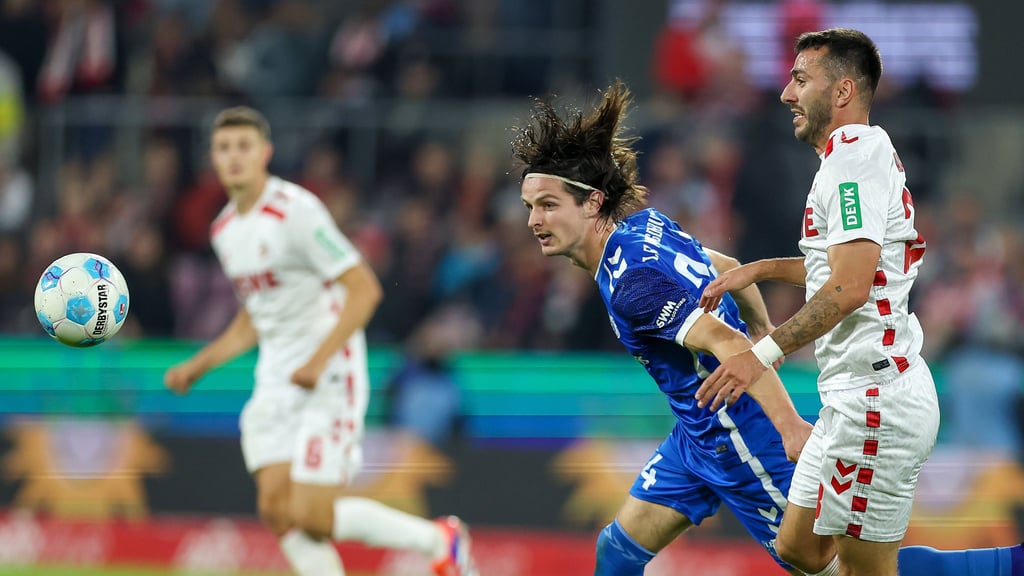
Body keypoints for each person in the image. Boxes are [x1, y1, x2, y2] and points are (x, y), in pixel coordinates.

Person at [512, 79, 1024, 576]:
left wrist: (786, 423)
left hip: (739, 436)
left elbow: (726, 341)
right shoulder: (644, 226)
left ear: (593, 202)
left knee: (847, 571)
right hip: (696, 436)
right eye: (530, 206)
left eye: (549, 205)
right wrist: (762, 324)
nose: (534, 220)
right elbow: (726, 265)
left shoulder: (631, 283)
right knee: (617, 550)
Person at [697, 28, 1024, 576]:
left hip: (877, 400)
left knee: (866, 571)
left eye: (800, 79)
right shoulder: (850, 159)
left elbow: (848, 289)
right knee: (799, 550)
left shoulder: (855, 157)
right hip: (851, 397)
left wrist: (761, 354)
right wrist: (761, 269)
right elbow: (846, 270)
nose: (785, 93)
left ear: (843, 91)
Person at [164, 106, 477, 576]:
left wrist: (318, 359)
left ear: (265, 153)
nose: (234, 157)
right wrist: (199, 365)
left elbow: (364, 288)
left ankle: (439, 540)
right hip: (276, 375)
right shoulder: (225, 229)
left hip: (327, 372)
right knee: (276, 508)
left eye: (244, 146)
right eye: (224, 147)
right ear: (212, 155)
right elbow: (256, 316)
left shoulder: (294, 211)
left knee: (312, 515)